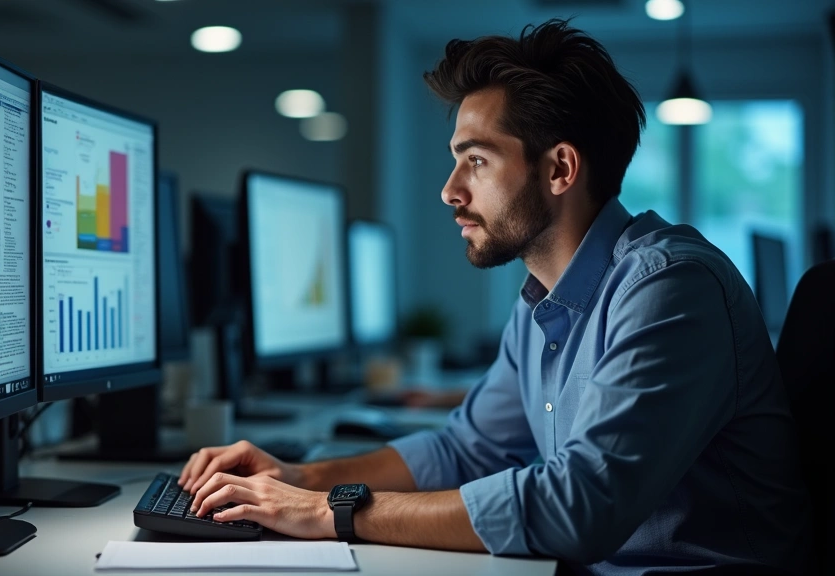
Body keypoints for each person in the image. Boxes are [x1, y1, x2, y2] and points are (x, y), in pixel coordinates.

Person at [178, 19, 813, 574]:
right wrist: (299, 476)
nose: (450, 190)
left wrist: (331, 511)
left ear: (560, 169)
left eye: (476, 160)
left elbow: (580, 508)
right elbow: (467, 448)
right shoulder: (544, 299)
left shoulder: (669, 289)